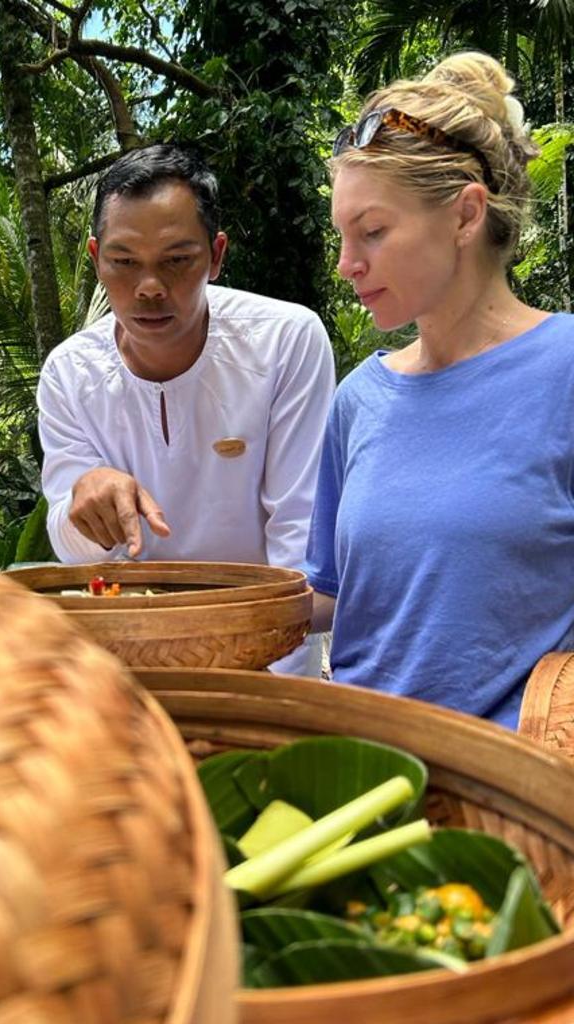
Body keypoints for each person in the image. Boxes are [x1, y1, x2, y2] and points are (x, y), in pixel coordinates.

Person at [306, 51, 574, 727]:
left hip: (510, 802)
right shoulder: (357, 400)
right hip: (357, 783)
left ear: (465, 216)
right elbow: (331, 597)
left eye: (372, 232)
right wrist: (163, 602)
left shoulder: (564, 367)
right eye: (342, 236)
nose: (347, 265)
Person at [37, 143, 335, 672]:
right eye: (124, 262)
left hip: (267, 658)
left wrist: (274, 690)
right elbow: (73, 554)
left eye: (177, 261)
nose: (149, 288)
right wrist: (86, 504)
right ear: (95, 258)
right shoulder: (69, 373)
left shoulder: (285, 342)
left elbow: (299, 544)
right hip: (128, 666)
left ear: (216, 256)